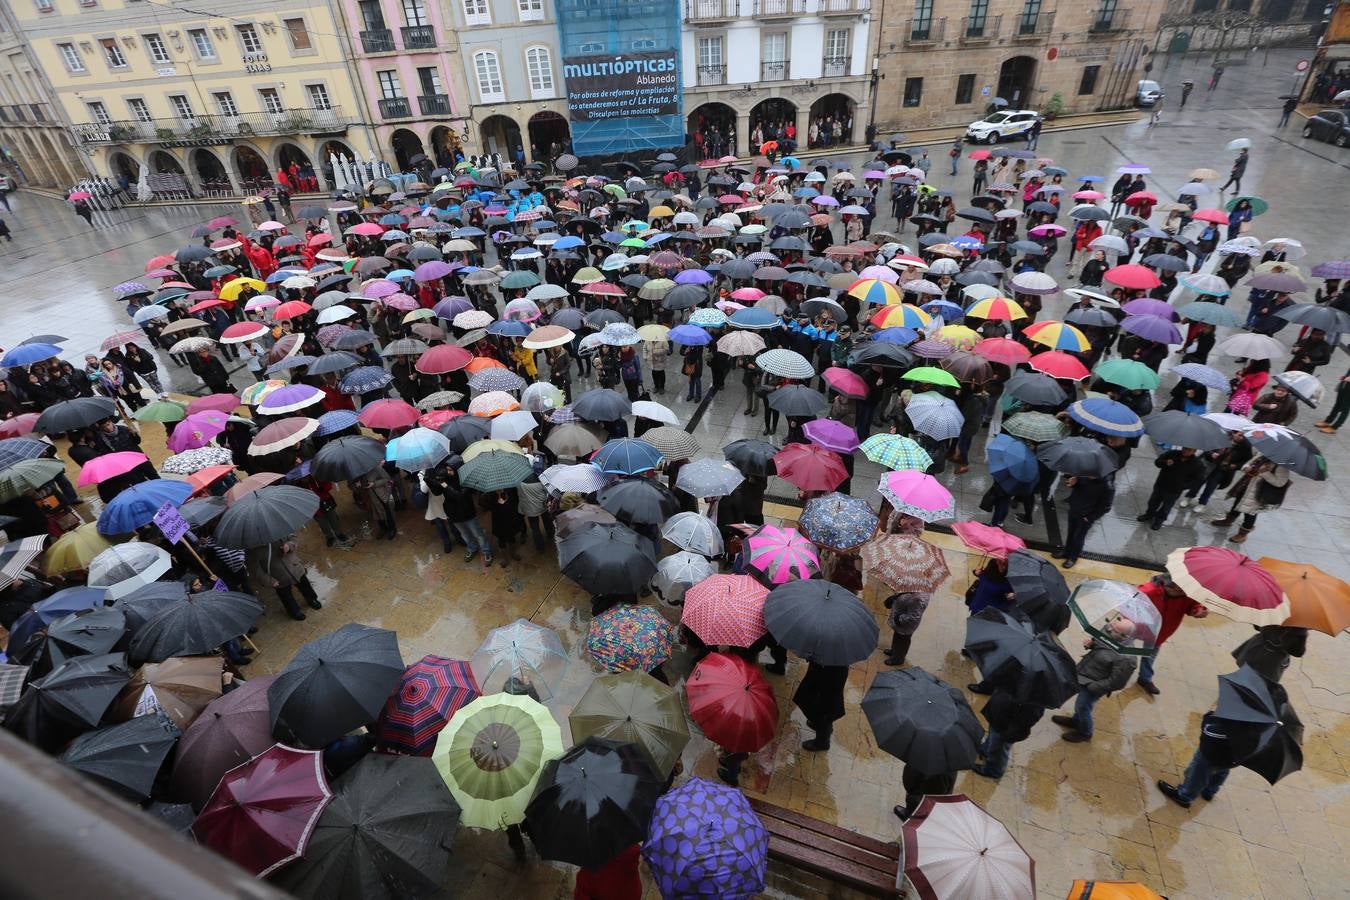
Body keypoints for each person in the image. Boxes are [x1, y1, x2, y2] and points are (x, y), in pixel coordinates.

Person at [1156, 675, 1296, 809]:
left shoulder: (1235, 724)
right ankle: (1210, 791)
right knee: (1221, 772)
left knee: (1198, 773)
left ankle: (1185, 796)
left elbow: (1209, 731)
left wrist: (1210, 713)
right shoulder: (1263, 729)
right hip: (1233, 758)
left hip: (1213, 754)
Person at [1051, 616, 1137, 742]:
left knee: (1083, 707)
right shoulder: (1110, 631)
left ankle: (1085, 733)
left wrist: (1093, 687)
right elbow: (1099, 644)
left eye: (1114, 630)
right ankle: (1076, 721)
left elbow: (1117, 682)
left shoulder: (1127, 658)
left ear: (1125, 637)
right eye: (1111, 625)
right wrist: (1091, 644)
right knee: (1080, 706)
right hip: (1085, 673)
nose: (1108, 629)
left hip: (1095, 684)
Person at [1134, 574, 1208, 694]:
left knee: (1150, 654)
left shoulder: (1186, 594)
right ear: (1173, 587)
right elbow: (1133, 602)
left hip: (1160, 632)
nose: (1183, 593)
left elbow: (1193, 605)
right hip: (1138, 626)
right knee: (1122, 646)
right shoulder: (1149, 591)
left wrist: (1198, 610)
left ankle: (1145, 679)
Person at [1209, 457, 1289, 543]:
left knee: (1250, 512)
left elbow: (1280, 482)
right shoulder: (1263, 455)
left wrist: (1265, 472)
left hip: (1258, 492)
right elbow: (1249, 462)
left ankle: (1243, 534)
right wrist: (1246, 467)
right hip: (1246, 485)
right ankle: (1228, 520)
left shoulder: (1282, 465)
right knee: (1237, 503)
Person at [971, 685, 1044, 780]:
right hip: (999, 714)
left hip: (1008, 726)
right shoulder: (1017, 677)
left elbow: (1030, 717)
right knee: (993, 738)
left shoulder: (1036, 695)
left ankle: (994, 770)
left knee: (999, 748)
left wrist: (1013, 729)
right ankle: (985, 750)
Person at [245, 536, 322, 621]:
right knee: (285, 595)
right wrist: (269, 581)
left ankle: (312, 599)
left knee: (304, 584)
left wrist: (289, 545)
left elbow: (293, 538)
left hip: (294, 566)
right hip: (276, 576)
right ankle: (294, 611)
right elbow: (255, 569)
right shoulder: (250, 548)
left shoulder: (277, 530)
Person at [1135, 447, 1206, 530]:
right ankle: (1149, 514)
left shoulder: (1197, 464)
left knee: (1167, 506)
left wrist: (1184, 486)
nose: (1185, 451)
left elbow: (1199, 479)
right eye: (1184, 448)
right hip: (1161, 484)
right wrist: (1165, 462)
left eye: (1189, 450)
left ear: (1194, 451)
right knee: (1153, 501)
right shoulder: (1172, 453)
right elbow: (1157, 462)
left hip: (1175, 489)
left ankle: (1159, 520)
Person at [1054, 474, 1114, 569]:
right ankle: (1066, 552)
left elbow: (1106, 507)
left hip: (1085, 517)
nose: (1088, 475)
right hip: (1074, 510)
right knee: (1071, 533)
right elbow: (1077, 488)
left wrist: (1090, 517)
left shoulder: (1107, 487)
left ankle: (1073, 558)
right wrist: (1073, 483)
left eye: (1092, 473)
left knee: (1078, 537)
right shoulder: (1084, 477)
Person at [794, 660, 847, 751]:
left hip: (829, 673)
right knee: (820, 703)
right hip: (827, 669)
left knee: (825, 709)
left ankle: (822, 742)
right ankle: (819, 724)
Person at [882, 591, 928, 666]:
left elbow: (914, 617)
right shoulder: (912, 589)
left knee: (903, 640)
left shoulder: (918, 599)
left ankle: (898, 659)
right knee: (897, 636)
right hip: (900, 621)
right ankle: (894, 651)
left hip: (905, 624)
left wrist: (900, 619)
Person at [1315, 368, 1350, 433]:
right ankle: (1328, 421)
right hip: (1345, 385)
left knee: (1345, 409)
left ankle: (1335, 427)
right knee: (1337, 404)